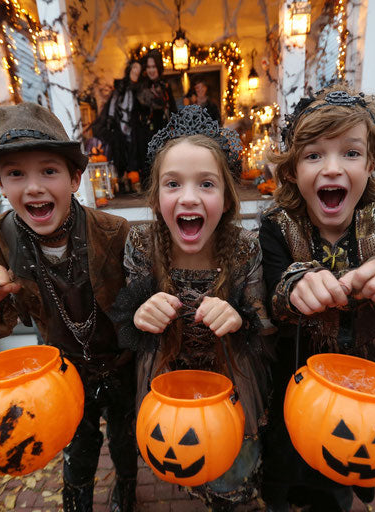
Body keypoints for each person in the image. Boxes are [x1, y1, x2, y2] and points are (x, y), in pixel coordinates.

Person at [259, 84, 375, 512]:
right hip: (293, 394)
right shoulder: (276, 228)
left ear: (371, 163)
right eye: (314, 155)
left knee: (335, 489)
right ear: (291, 172)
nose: (332, 169)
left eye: (351, 153)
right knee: (282, 482)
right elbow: (267, 294)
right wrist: (294, 286)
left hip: (362, 408)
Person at [0, 102, 138, 512]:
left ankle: (127, 488)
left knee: (125, 437)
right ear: (1, 184)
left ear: (75, 178)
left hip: (121, 358)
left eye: (49, 171)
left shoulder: (115, 232)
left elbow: (138, 301)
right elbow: (4, 320)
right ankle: (77, 503)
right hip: (62, 367)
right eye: (16, 173)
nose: (33, 187)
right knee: (77, 443)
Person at [109, 105, 273, 511]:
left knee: (230, 465)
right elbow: (131, 313)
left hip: (230, 375)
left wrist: (240, 318)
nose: (188, 197)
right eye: (172, 184)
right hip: (168, 374)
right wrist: (139, 314)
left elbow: (264, 321)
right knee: (184, 454)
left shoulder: (243, 246)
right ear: (156, 195)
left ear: (226, 196)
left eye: (206, 184)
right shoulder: (142, 244)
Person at [92, 60, 143, 190]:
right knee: (120, 152)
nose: (136, 71)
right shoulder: (121, 87)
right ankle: (123, 181)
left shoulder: (141, 88)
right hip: (120, 125)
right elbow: (113, 105)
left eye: (139, 69)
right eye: (134, 68)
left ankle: (133, 182)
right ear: (130, 70)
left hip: (134, 127)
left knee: (134, 152)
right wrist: (110, 121)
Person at [137, 49, 177, 188]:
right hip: (147, 134)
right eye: (148, 67)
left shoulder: (165, 86)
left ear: (158, 67)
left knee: (166, 166)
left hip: (165, 132)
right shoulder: (142, 87)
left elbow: (173, 111)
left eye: (153, 66)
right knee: (149, 169)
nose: (151, 70)